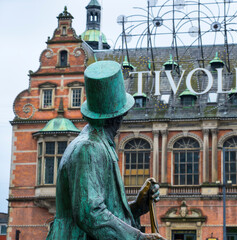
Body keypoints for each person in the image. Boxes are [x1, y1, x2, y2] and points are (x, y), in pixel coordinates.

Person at [47, 61, 166, 240]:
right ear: (119, 115)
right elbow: (90, 215)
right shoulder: (90, 147)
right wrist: (138, 238)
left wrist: (139, 206)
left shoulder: (97, 143)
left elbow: (105, 212)